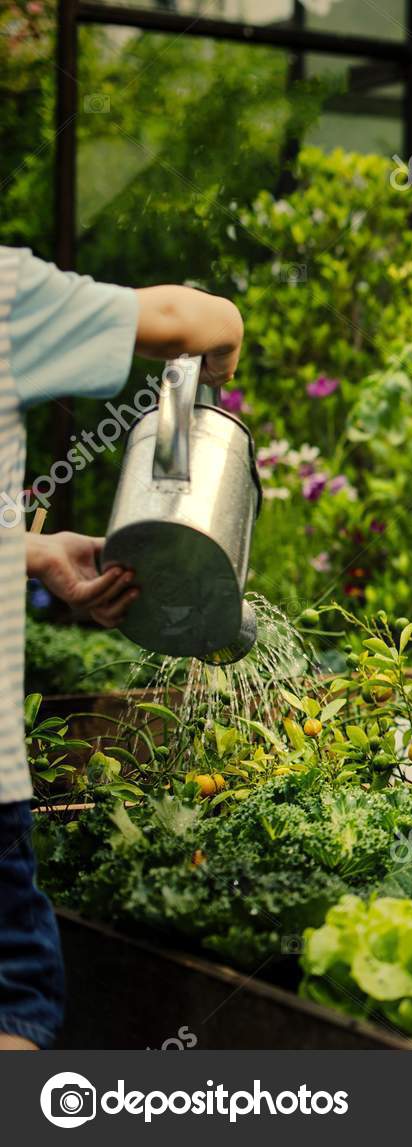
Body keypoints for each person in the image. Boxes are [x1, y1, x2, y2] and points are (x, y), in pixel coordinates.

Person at [1, 246, 242, 1048]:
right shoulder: (7, 294)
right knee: (14, 993)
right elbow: (186, 321)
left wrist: (33, 554)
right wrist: (224, 330)